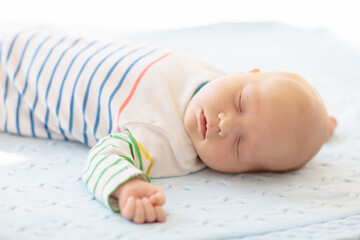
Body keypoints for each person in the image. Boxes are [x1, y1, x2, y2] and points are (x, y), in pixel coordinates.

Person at [0, 29, 336, 224]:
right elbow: (285, 117)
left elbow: (103, 157)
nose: (225, 123)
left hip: (12, 88)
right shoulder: (216, 77)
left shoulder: (166, 142)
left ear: (242, 174)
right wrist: (317, 125)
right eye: (241, 103)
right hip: (34, 42)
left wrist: (127, 186)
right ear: (247, 73)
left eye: (239, 147)